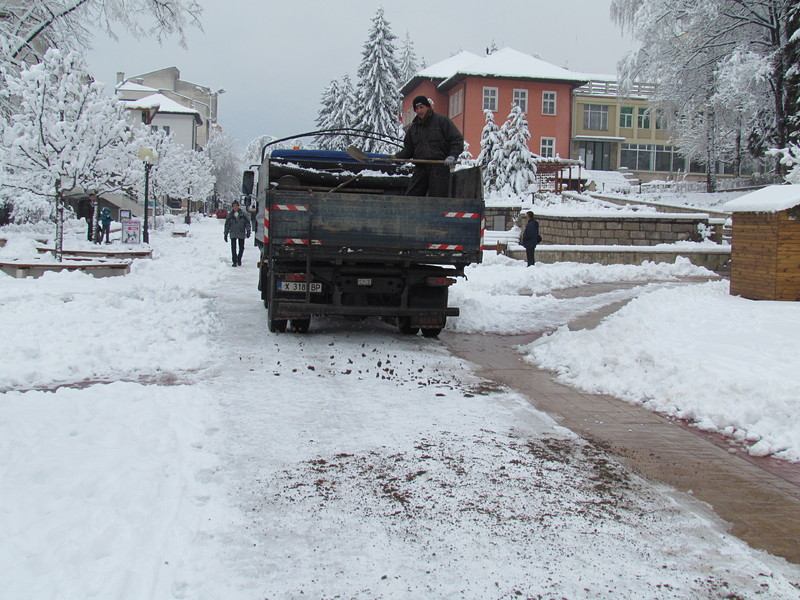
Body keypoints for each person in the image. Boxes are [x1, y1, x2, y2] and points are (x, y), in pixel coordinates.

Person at [395, 95, 464, 197]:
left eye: (421, 107)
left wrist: (452, 155)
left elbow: (457, 140)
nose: (419, 111)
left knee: (437, 200)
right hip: (420, 168)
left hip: (439, 168)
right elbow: (409, 149)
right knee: (411, 198)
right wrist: (397, 157)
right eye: (417, 108)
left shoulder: (442, 122)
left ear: (428, 107)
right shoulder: (413, 128)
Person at [224, 200, 251, 266]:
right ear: (232, 207)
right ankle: (234, 261)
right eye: (234, 206)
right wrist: (225, 234)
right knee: (233, 248)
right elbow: (227, 225)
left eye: (236, 205)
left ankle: (239, 258)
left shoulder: (243, 214)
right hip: (233, 233)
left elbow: (247, 223)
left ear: (238, 206)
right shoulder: (230, 215)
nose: (235, 207)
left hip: (241, 232)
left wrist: (248, 231)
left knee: (241, 247)